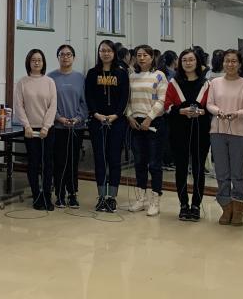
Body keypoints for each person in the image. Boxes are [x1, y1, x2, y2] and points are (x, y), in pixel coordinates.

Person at [206, 49, 243, 227]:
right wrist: (218, 111)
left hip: (239, 133)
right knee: (222, 173)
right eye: (227, 61)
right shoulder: (215, 82)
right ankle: (226, 207)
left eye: (234, 61)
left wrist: (237, 114)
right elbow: (209, 104)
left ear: (240, 64)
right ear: (223, 63)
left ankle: (239, 208)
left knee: (238, 174)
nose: (230, 64)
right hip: (217, 131)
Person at [164, 48, 210, 222]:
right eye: (184, 60)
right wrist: (180, 110)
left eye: (191, 60)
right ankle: (183, 204)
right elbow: (167, 106)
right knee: (181, 169)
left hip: (200, 130)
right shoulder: (173, 83)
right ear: (179, 63)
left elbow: (211, 106)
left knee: (198, 168)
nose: (188, 63)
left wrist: (203, 112)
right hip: (179, 130)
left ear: (197, 62)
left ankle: (196, 205)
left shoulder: (206, 83)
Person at [84, 40, 129, 213]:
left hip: (117, 122)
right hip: (97, 121)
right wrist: (97, 114)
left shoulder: (122, 73)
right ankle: (102, 196)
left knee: (114, 159)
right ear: (99, 53)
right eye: (102, 50)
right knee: (100, 159)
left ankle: (112, 198)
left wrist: (116, 115)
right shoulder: (92, 73)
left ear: (114, 53)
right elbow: (88, 96)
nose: (106, 53)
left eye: (109, 50)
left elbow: (125, 97)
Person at [14, 49, 58, 210]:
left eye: (39, 60)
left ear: (43, 62)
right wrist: (26, 126)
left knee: (47, 164)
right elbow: (19, 106)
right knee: (33, 163)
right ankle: (36, 196)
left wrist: (46, 127)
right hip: (30, 130)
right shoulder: (22, 82)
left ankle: (47, 196)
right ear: (29, 62)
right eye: (33, 60)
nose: (36, 62)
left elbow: (53, 106)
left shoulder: (49, 82)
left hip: (47, 130)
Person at [127, 45, 168, 216]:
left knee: (154, 164)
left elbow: (162, 100)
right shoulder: (132, 76)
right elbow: (127, 99)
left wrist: (149, 118)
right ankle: (141, 199)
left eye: (145, 55)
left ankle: (155, 201)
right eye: (139, 55)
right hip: (135, 124)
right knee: (139, 162)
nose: (142, 58)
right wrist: (129, 116)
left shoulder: (159, 75)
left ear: (152, 57)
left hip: (153, 123)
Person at [48, 45, 88, 208]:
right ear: (58, 57)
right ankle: (59, 194)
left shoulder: (80, 78)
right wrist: (59, 118)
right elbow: (49, 103)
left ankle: (72, 193)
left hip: (76, 128)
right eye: (62, 54)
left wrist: (78, 118)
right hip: (58, 128)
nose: (65, 57)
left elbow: (84, 103)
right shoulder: (51, 78)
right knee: (59, 161)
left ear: (74, 57)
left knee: (73, 161)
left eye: (69, 54)